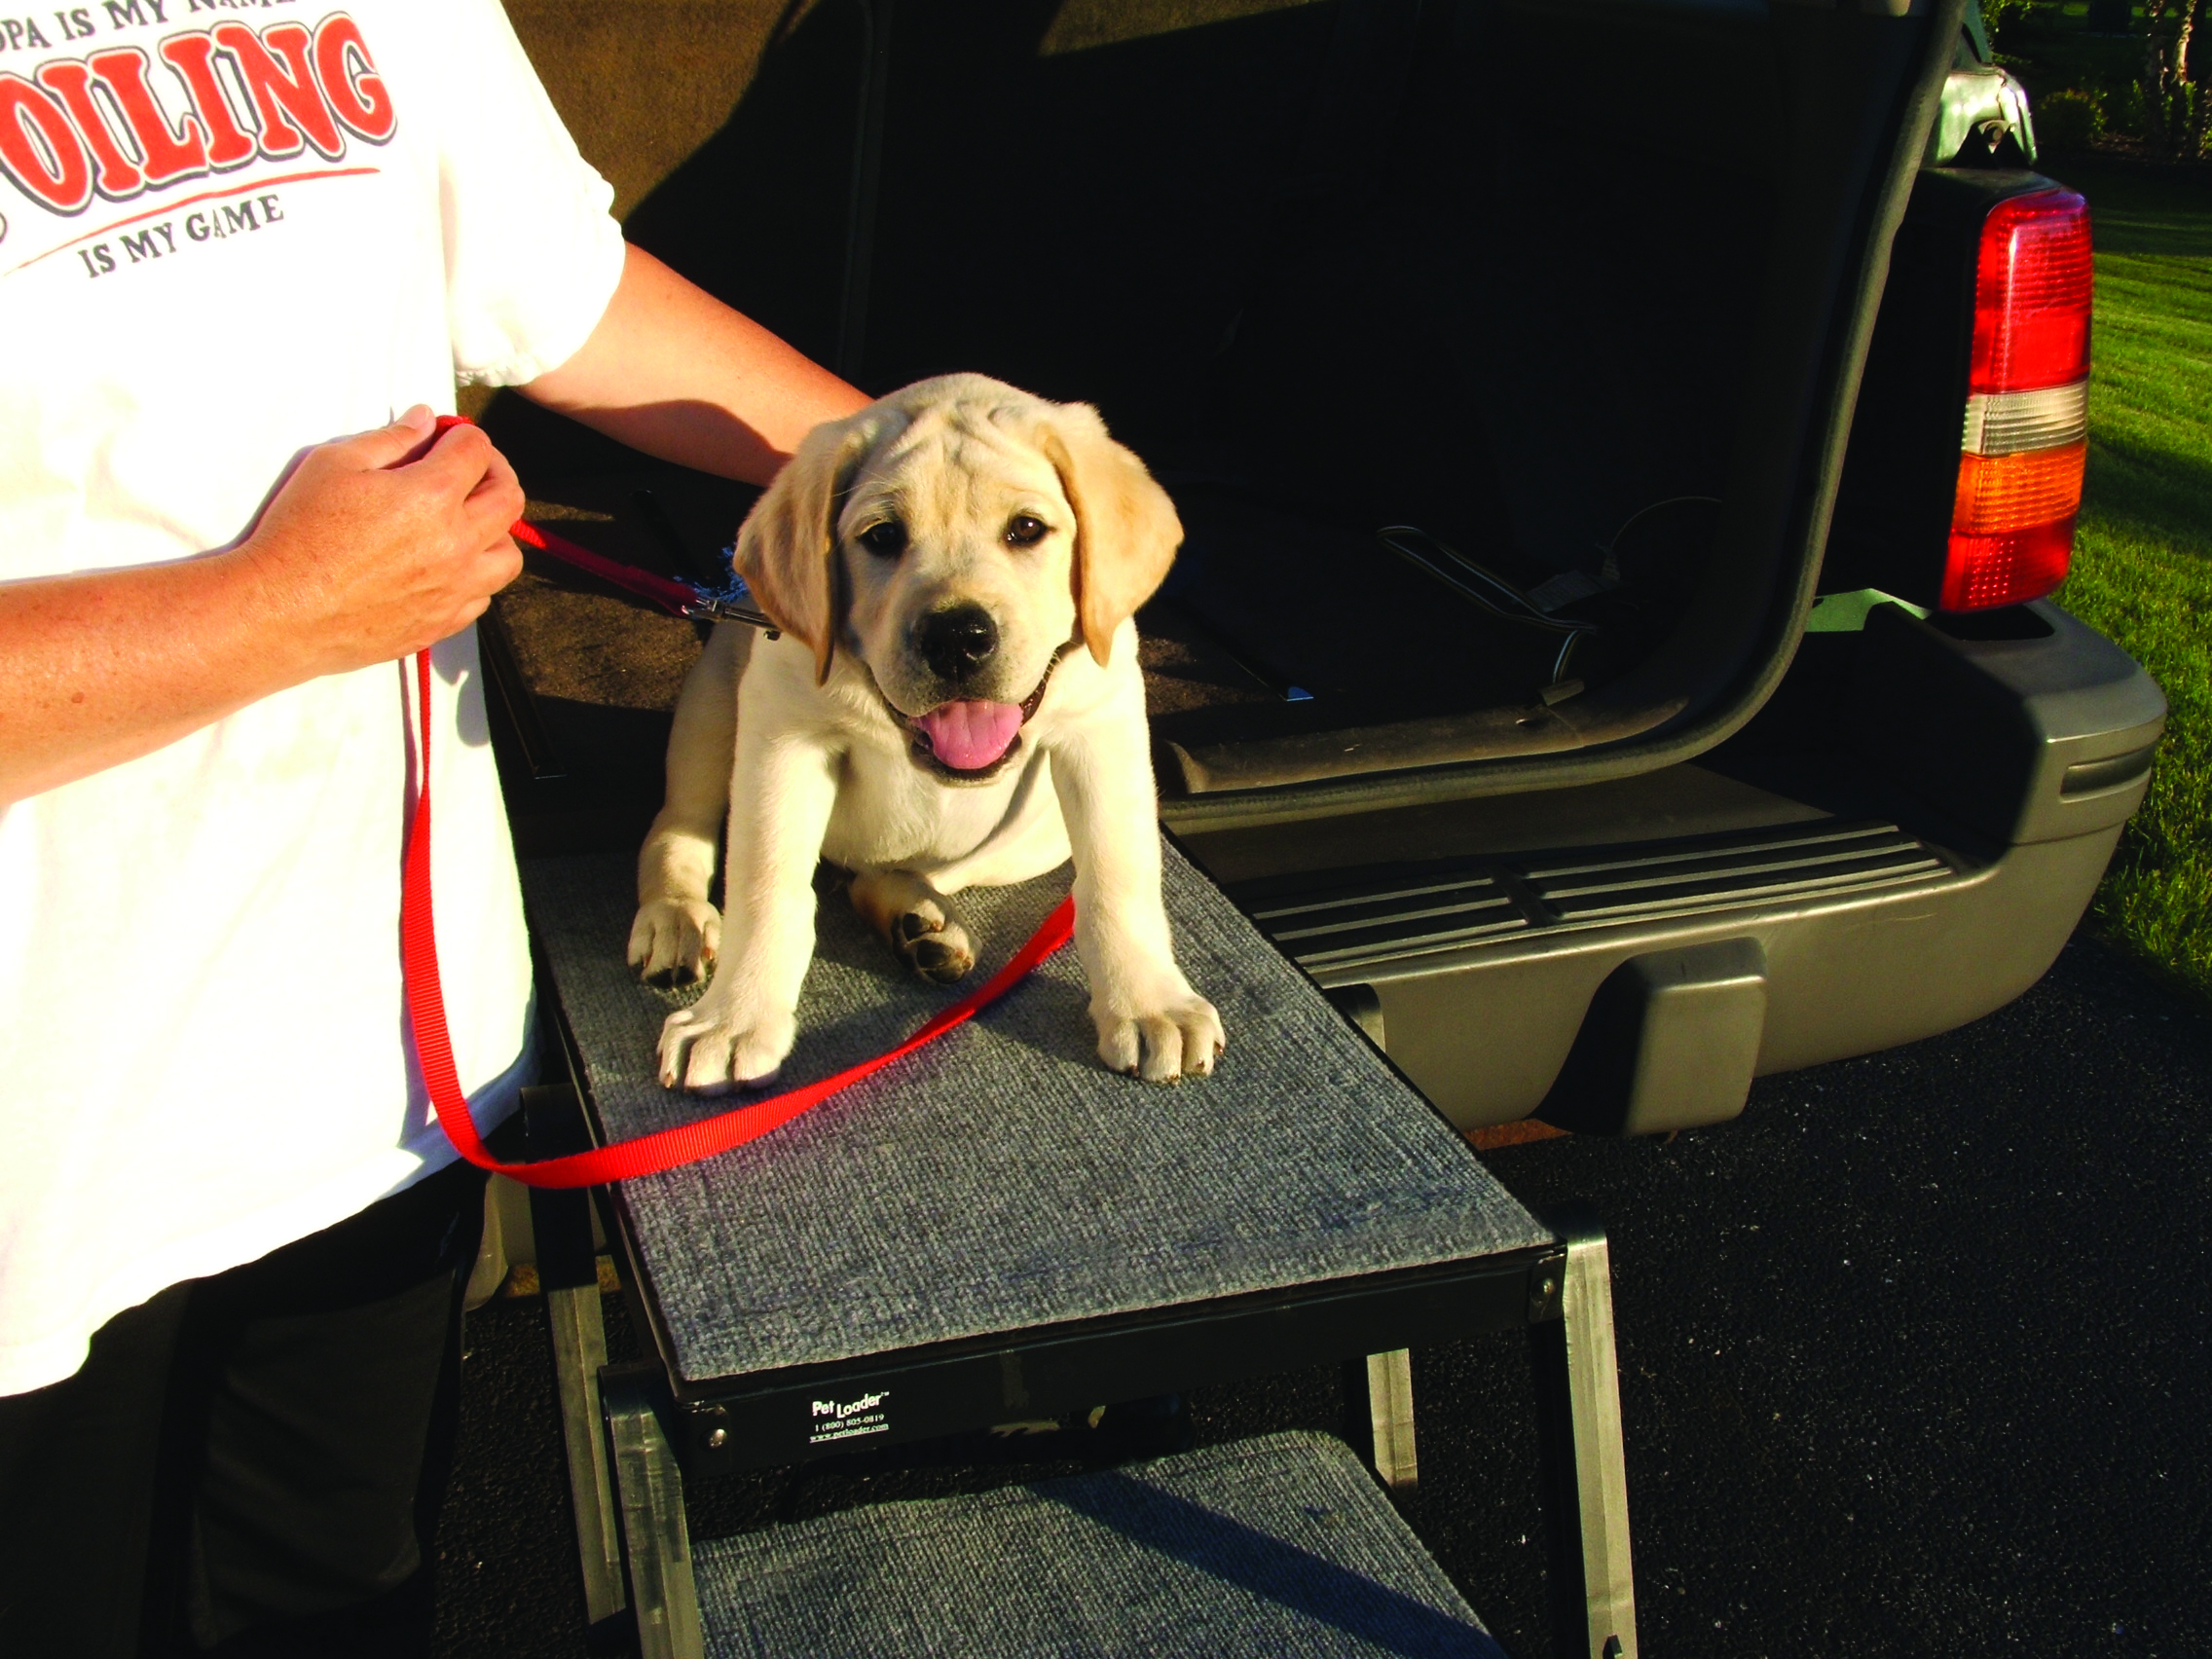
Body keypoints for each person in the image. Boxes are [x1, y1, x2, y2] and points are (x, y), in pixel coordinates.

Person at [0, 3, 867, 1652]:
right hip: (33, 1183)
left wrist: (939, 494)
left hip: (371, 1082)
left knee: (339, 1608)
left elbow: (557, 283)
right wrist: (269, 611)